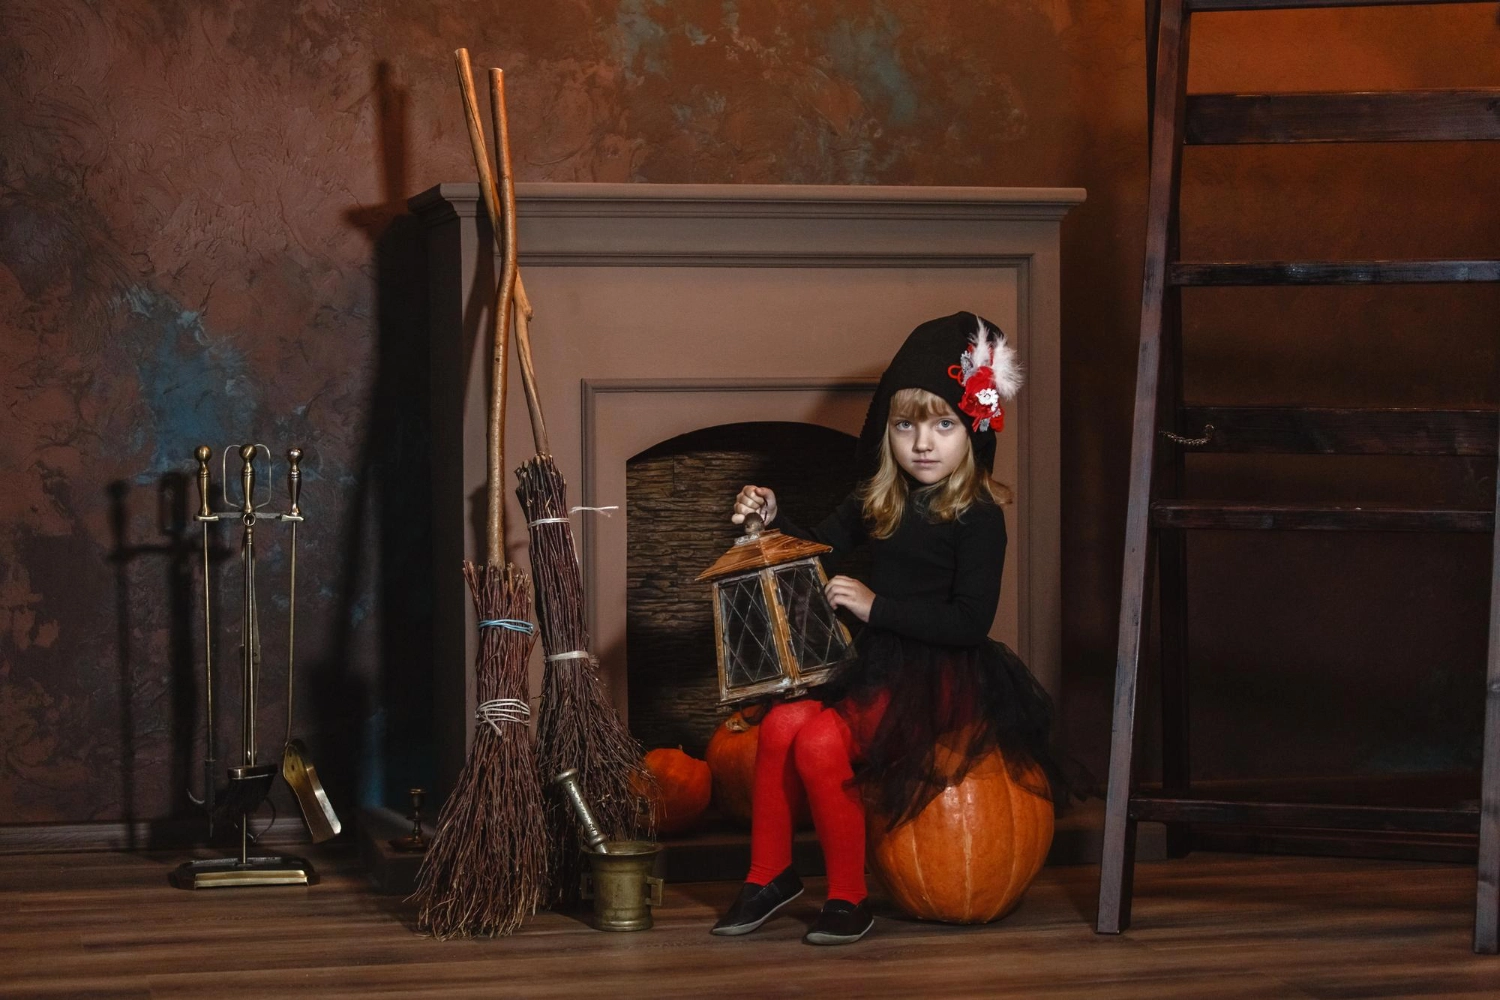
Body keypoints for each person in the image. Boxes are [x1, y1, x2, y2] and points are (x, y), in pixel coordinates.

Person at [708, 311, 1063, 946]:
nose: (923, 444)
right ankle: (770, 874)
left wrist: (876, 608)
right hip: (877, 664)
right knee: (782, 724)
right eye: (906, 426)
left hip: (942, 674)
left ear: (973, 430)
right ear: (887, 431)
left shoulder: (979, 515)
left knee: (820, 742)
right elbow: (815, 549)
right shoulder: (878, 497)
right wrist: (771, 517)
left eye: (943, 425)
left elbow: (969, 622)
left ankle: (849, 896)